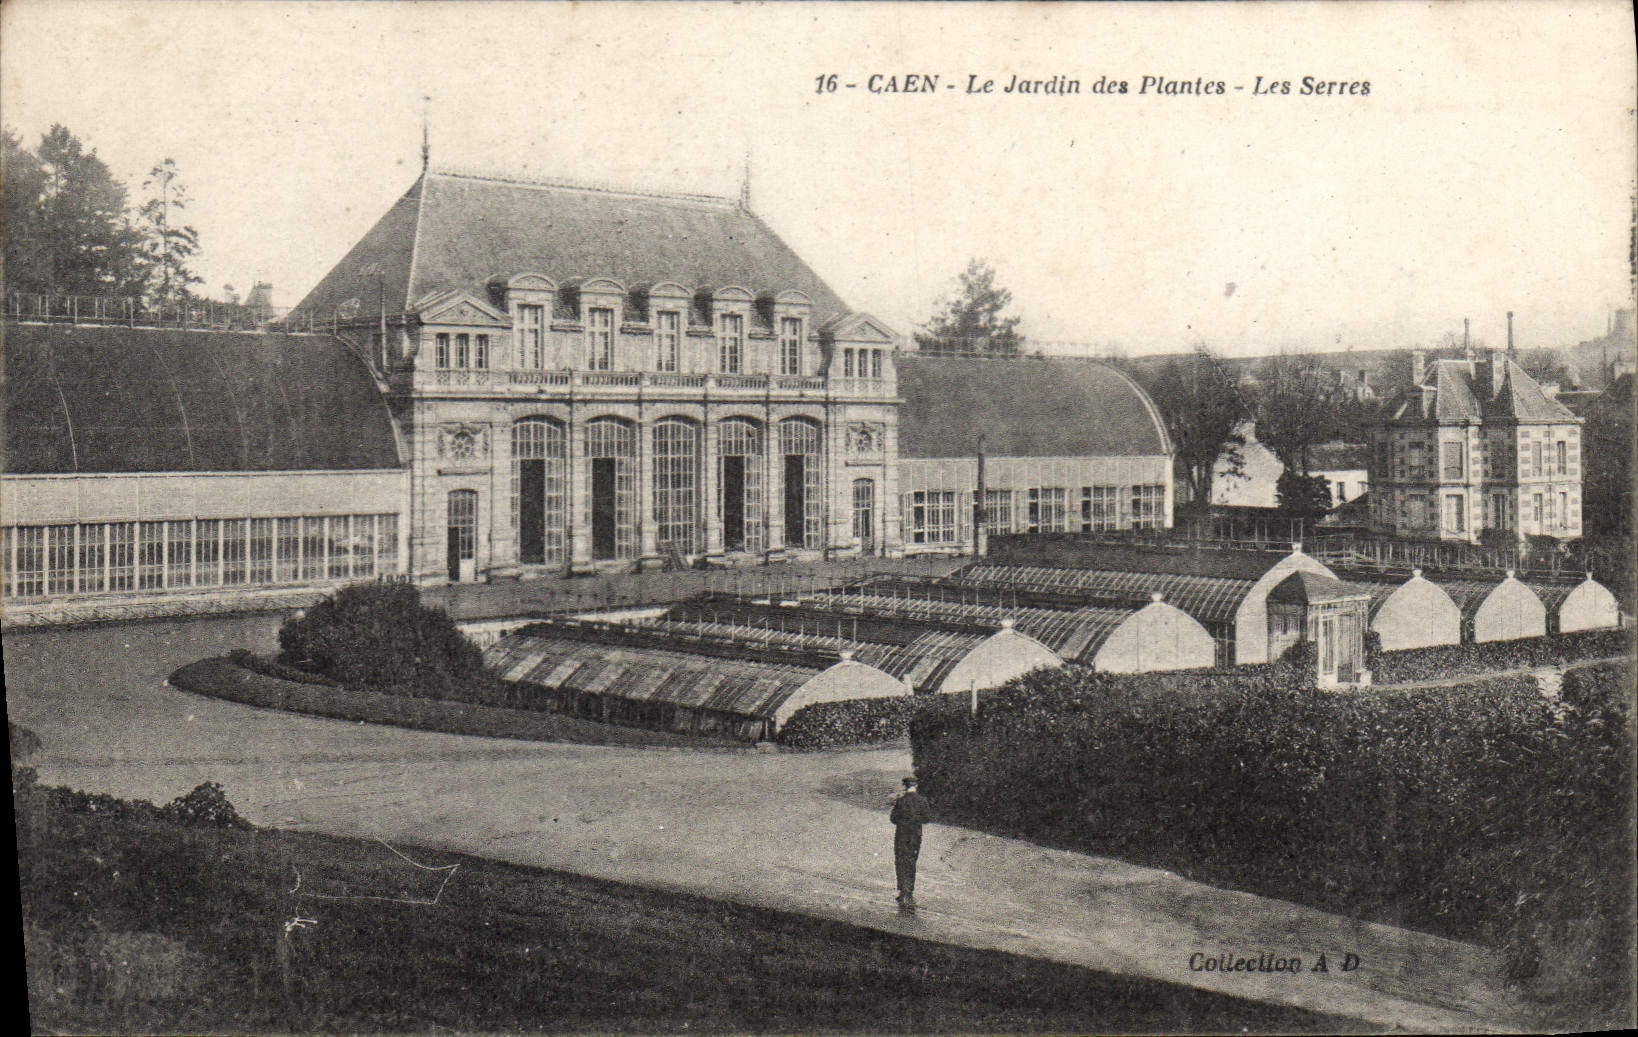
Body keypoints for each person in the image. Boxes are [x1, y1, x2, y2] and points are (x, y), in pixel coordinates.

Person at [890, 775, 932, 908]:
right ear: (916, 786)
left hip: (901, 836)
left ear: (905, 786)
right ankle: (909, 892)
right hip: (915, 836)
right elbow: (927, 819)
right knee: (912, 862)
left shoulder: (900, 801)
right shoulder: (922, 801)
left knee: (901, 861)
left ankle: (903, 891)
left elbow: (893, 818)